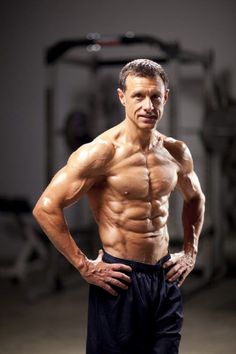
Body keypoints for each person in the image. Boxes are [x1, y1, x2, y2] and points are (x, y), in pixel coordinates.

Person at [33, 59, 205, 354]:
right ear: (122, 97)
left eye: (155, 96)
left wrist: (190, 251)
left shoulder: (176, 152)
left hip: (165, 278)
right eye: (138, 96)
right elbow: (46, 207)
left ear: (165, 97)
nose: (148, 106)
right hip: (121, 280)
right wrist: (83, 265)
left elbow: (195, 198)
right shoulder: (101, 153)